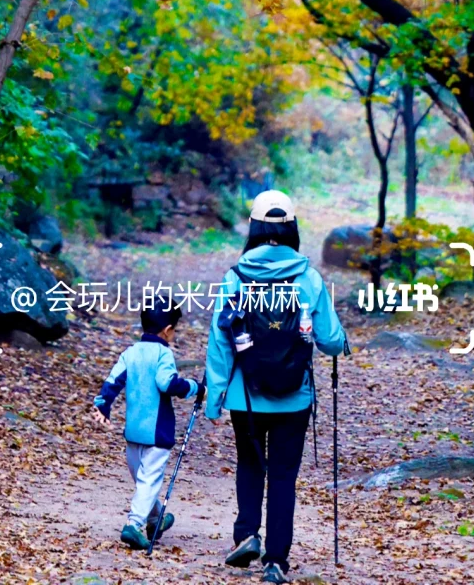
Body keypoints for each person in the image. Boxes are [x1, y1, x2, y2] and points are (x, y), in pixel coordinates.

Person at [204, 189, 347, 584]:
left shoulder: (235, 278)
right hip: (294, 396)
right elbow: (331, 340)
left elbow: (220, 344)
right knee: (283, 476)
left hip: (244, 395)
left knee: (250, 465)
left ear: (254, 227)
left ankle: (247, 534)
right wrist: (341, 341)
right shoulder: (309, 278)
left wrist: (214, 400)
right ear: (292, 229)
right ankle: (276, 561)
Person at [92, 295, 205, 550]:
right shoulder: (163, 353)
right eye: (175, 330)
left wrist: (103, 406)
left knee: (143, 479)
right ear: (167, 330)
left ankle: (156, 519)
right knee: (148, 481)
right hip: (157, 433)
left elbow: (113, 381)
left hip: (134, 431)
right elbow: (168, 383)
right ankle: (133, 525)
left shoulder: (130, 353)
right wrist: (196, 387)